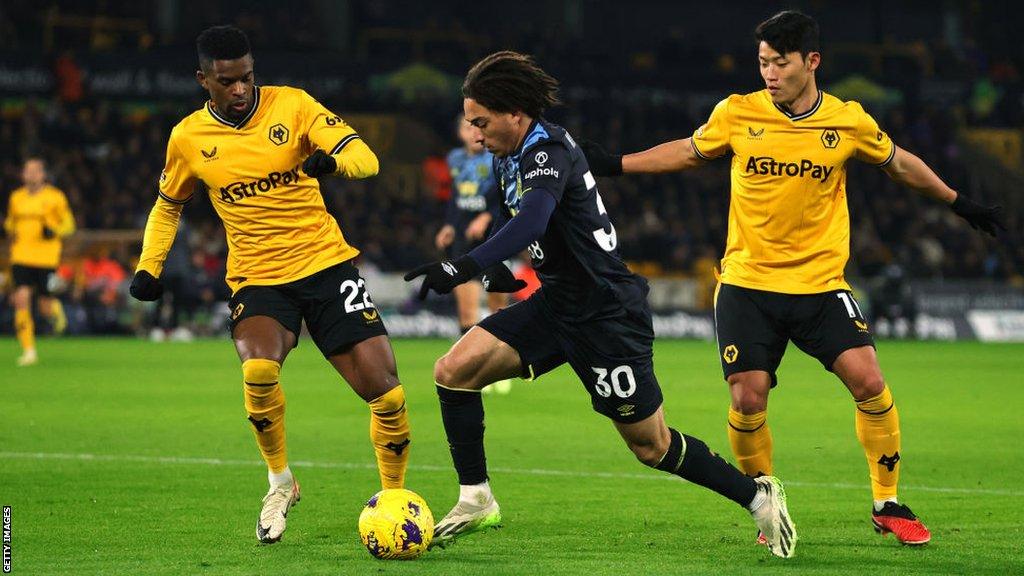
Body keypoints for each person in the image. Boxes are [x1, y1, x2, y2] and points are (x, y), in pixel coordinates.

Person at [581, 10, 1005, 547]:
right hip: (747, 284)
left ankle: (887, 501)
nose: (769, 73)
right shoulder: (738, 113)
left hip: (821, 284)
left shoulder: (848, 120)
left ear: (812, 62)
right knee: (748, 398)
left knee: (870, 381)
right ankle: (763, 500)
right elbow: (688, 151)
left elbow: (899, 163)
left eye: (780, 63)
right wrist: (616, 164)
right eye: (762, 63)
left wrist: (958, 202)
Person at [404, 51, 797, 558]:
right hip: (557, 305)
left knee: (650, 446)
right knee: (453, 370)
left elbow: (534, 220)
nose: (475, 134)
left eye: (481, 122)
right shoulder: (508, 154)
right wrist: (498, 267)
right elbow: (510, 216)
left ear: (515, 115)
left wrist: (464, 265)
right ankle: (476, 497)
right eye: (470, 123)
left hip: (607, 314)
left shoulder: (547, 150)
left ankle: (756, 494)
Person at [128, 25, 411, 545]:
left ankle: (393, 497)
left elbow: (366, 160)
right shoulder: (188, 138)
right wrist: (150, 267)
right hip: (258, 277)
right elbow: (168, 206)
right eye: (228, 81)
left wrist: (333, 161)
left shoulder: (293, 105)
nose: (240, 90)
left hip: (327, 266)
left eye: (247, 78)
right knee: (258, 368)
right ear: (203, 80)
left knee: (386, 393)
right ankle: (280, 482)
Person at [434, 113, 512, 393]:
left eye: (476, 126)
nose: (473, 132)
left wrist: (486, 217)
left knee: (497, 309)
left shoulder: (497, 158)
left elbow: (508, 197)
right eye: (467, 127)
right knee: (466, 312)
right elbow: (456, 198)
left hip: (494, 237)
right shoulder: (455, 159)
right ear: (460, 133)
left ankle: (502, 369)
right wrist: (450, 225)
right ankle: (469, 371)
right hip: (463, 239)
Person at [4, 156, 74, 366]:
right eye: (27, 171)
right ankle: (29, 351)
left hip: (46, 257)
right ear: (23, 174)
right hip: (21, 256)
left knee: (44, 306)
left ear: (43, 174)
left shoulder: (55, 197)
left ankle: (55, 308)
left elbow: (69, 225)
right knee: (21, 298)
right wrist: (11, 229)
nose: (31, 174)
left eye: (35, 171)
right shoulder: (16, 198)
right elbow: (10, 223)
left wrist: (54, 231)